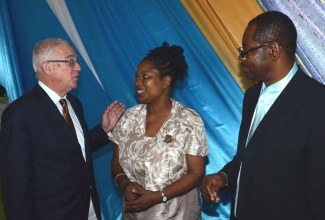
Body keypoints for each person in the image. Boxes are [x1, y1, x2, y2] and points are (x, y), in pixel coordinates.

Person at [201, 11, 325, 220]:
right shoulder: (252, 96)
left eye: (246, 50)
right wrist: (224, 176)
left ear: (273, 50)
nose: (241, 58)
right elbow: (250, 157)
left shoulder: (317, 102)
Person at [0, 38, 124, 220]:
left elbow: (74, 152)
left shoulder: (74, 103)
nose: (78, 68)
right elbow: (16, 185)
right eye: (71, 61)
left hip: (88, 209)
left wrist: (104, 130)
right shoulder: (19, 114)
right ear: (48, 68)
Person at [110, 42, 209, 219]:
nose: (136, 83)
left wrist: (158, 196)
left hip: (177, 214)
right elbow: (116, 163)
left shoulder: (188, 120)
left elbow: (196, 173)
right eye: (136, 77)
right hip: (134, 215)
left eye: (145, 77)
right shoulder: (128, 118)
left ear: (165, 81)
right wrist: (125, 184)